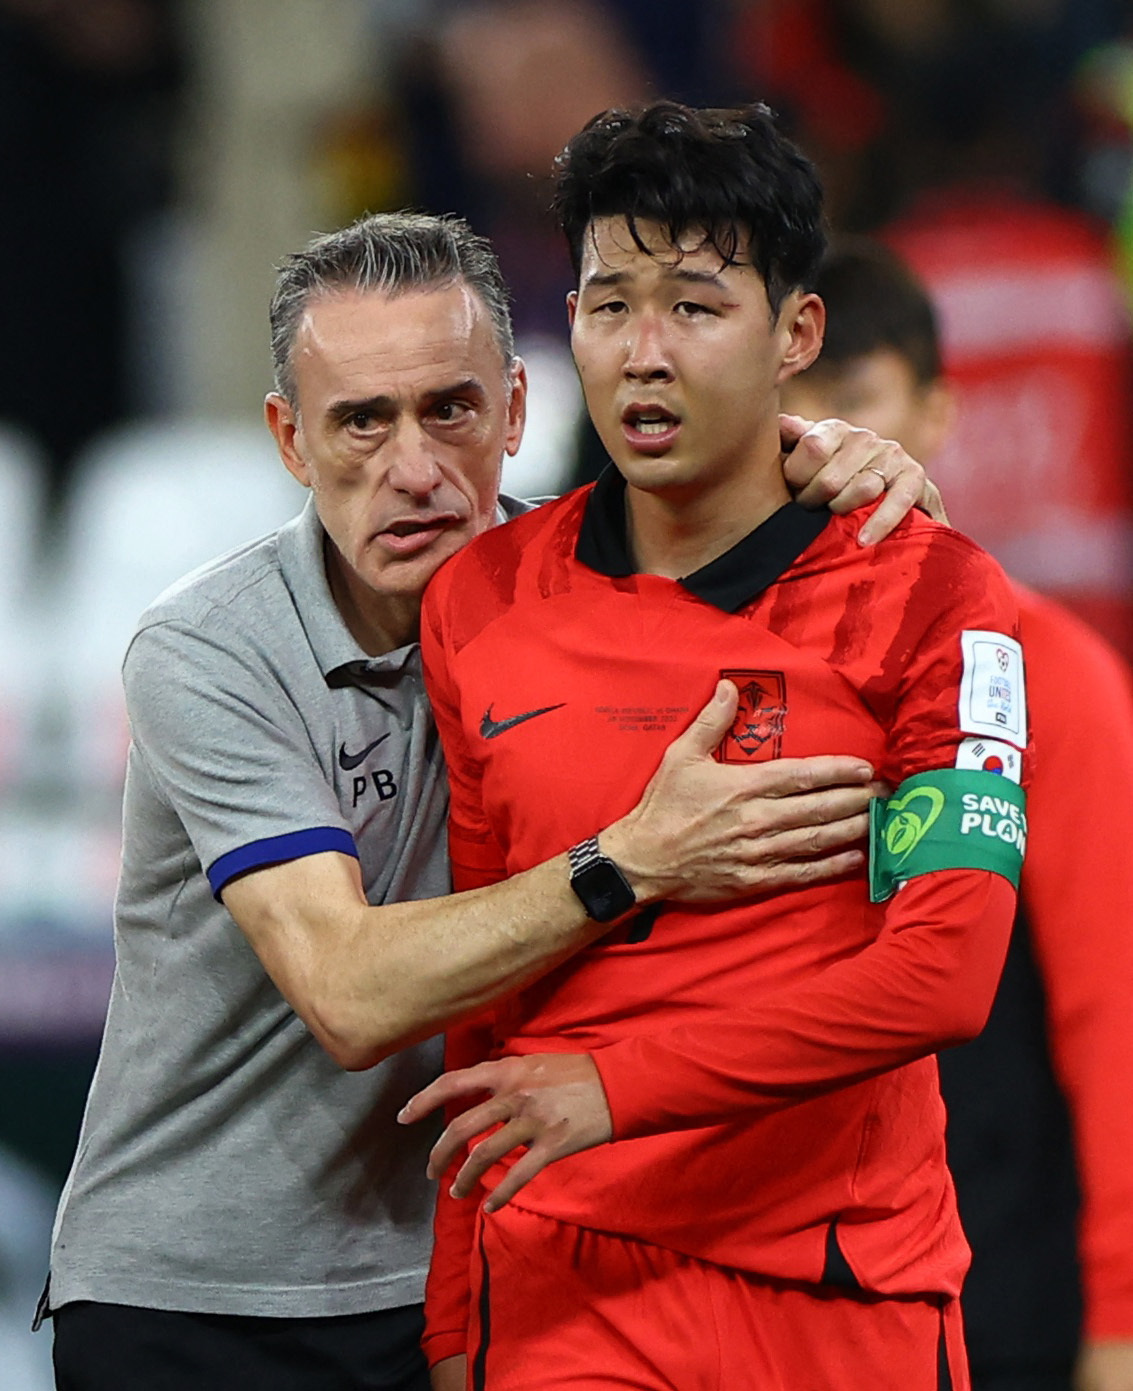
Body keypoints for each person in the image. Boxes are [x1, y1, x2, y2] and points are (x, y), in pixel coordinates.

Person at [41, 209, 933, 1391]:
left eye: (448, 410)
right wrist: (628, 861)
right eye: (361, 420)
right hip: (206, 1299)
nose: (414, 469)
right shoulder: (211, 652)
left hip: (476, 1272)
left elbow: (781, 558)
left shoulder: (588, 602)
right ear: (290, 440)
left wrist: (862, 478)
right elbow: (351, 993)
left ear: (516, 410)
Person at [405, 101, 1027, 1391]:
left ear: (796, 332)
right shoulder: (479, 599)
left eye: (693, 306)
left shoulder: (935, 596)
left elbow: (942, 975)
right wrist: (455, 1320)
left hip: (841, 1287)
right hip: (564, 1283)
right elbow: (485, 992)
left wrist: (613, 1089)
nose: (642, 352)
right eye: (606, 302)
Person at [779, 240, 1133, 1391]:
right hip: (782, 1302)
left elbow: (1109, 1010)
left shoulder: (1046, 669)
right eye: (792, 407)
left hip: (999, 1301)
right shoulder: (721, 664)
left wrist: (1120, 1315)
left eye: (853, 398)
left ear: (933, 411)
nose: (824, 442)